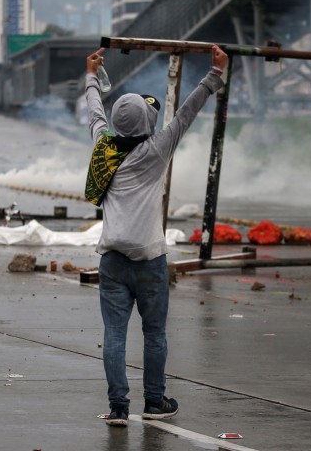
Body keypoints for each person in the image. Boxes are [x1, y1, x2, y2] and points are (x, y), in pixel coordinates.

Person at [84, 45, 227, 428]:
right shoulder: (157, 150)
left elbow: (95, 113)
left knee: (113, 337)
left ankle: (117, 408)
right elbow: (186, 114)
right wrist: (214, 75)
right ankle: (153, 401)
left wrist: (91, 77)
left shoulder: (103, 149)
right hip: (149, 261)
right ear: (148, 125)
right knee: (154, 335)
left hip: (112, 261)